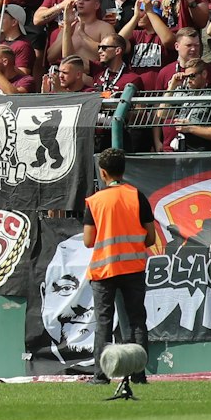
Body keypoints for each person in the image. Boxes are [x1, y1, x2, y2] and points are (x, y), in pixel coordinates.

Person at [80, 148, 160, 384]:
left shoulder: (95, 201)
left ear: (103, 173)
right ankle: (138, 375)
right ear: (123, 170)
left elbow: (88, 241)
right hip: (133, 268)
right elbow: (151, 237)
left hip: (104, 270)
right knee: (136, 321)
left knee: (103, 323)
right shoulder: (137, 196)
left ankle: (101, 376)